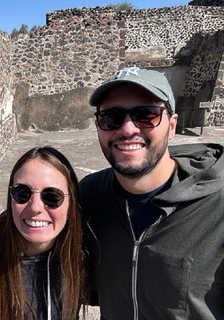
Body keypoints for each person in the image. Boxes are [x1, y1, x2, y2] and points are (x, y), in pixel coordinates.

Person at [80, 67, 224, 319]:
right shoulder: (88, 195)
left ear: (172, 125)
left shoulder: (218, 203)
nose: (127, 129)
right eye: (111, 117)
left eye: (146, 115)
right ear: (98, 126)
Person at [0, 146, 87, 320]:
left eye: (52, 196)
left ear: (71, 204)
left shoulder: (80, 253)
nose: (35, 207)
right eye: (22, 193)